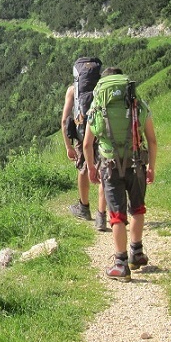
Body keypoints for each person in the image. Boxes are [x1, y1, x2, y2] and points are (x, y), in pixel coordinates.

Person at [83, 68, 157, 282]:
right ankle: (137, 252)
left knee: (116, 215)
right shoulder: (137, 105)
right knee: (137, 208)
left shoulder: (98, 107)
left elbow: (88, 143)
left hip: (110, 166)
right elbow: (152, 140)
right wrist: (151, 166)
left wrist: (91, 167)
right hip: (137, 164)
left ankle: (121, 264)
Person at [62, 78, 108, 231]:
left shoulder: (72, 90)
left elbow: (64, 120)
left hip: (81, 134)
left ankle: (84, 207)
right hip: (100, 131)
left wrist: (68, 146)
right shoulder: (101, 86)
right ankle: (102, 215)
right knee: (103, 168)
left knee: (83, 168)